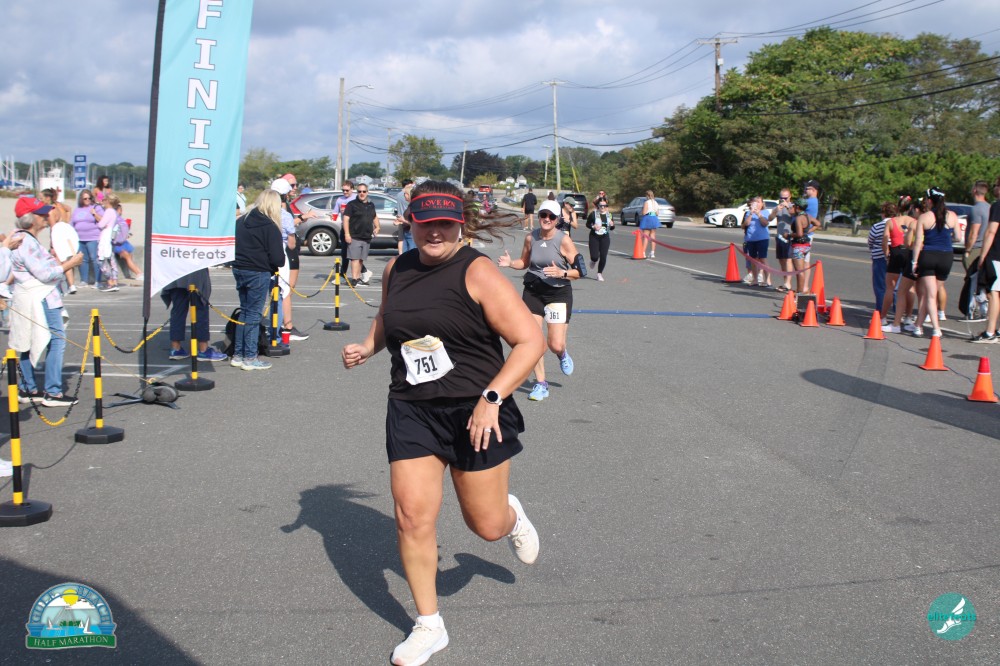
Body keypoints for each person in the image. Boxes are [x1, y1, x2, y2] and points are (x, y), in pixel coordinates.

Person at [340, 180, 543, 666]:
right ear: (410, 222)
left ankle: (510, 515)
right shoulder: (397, 268)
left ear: (460, 225)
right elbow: (388, 318)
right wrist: (368, 346)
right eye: (425, 222)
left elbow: (530, 341)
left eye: (445, 224)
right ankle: (429, 625)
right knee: (411, 517)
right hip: (412, 408)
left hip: (476, 410)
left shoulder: (477, 271)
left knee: (486, 526)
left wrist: (492, 397)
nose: (435, 232)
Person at [497, 199, 580, 401]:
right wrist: (510, 263)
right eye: (543, 215)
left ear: (557, 219)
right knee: (533, 340)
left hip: (558, 293)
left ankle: (562, 353)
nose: (546, 219)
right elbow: (524, 262)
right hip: (533, 292)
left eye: (551, 216)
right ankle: (541, 384)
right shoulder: (531, 237)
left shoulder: (564, 240)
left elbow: (579, 271)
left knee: (555, 344)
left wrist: (562, 273)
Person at [10, 197, 84, 407]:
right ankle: (53, 392)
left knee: (28, 341)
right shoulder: (26, 241)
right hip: (41, 296)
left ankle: (29, 387)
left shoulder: (21, 238)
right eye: (41, 213)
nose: (45, 216)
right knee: (56, 339)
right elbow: (44, 274)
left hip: (31, 295)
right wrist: (70, 263)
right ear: (30, 218)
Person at [231, 189, 285, 370]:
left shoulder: (242, 221)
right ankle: (250, 357)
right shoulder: (270, 226)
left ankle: (238, 354)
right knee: (254, 315)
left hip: (239, 268)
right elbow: (278, 258)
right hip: (258, 272)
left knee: (245, 312)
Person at [910, 187, 959, 338]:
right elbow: (958, 237)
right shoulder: (952, 216)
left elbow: (918, 242)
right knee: (931, 293)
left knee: (930, 295)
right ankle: (918, 325)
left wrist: (914, 261)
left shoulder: (925, 217)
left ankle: (936, 328)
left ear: (930, 201)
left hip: (929, 255)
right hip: (946, 256)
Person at [162, 268, 228, 362]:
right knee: (201, 309)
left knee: (178, 311)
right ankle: (203, 349)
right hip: (195, 272)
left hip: (176, 272)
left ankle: (175, 348)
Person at [275, 175, 310, 342]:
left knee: (286, 290)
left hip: (287, 251)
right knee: (285, 290)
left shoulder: (284, 206)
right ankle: (287, 327)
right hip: (286, 252)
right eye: (292, 185)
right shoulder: (280, 208)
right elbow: (288, 232)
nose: (294, 188)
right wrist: (302, 218)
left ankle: (283, 324)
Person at [885, 196, 920, 334]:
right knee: (910, 288)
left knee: (890, 287)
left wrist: (887, 254)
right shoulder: (915, 222)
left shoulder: (892, 221)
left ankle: (883, 317)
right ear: (910, 208)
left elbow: (885, 241)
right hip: (909, 253)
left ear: (898, 207)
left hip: (896, 252)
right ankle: (908, 317)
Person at [971, 177, 1000, 343]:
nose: (994, 188)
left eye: (996, 185)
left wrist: (982, 255)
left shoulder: (997, 205)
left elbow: (991, 231)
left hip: (997, 254)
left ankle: (990, 332)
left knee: (994, 292)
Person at [963, 180, 991, 322]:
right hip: (987, 247)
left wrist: (967, 250)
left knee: (971, 280)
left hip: (976, 248)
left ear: (975, 190)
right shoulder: (990, 207)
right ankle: (983, 310)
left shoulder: (976, 209)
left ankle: (971, 310)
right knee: (981, 281)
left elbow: (974, 233)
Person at [343, 184, 380, 285]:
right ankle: (354, 279)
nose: (362, 193)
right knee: (355, 258)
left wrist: (377, 227)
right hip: (355, 235)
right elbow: (346, 219)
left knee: (360, 259)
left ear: (367, 192)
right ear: (357, 192)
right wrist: (347, 234)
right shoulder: (352, 204)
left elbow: (374, 216)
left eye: (364, 191)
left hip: (366, 236)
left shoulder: (371, 205)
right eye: (359, 191)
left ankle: (358, 277)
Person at [47, 194, 80, 295]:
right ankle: (71, 285)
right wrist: (67, 221)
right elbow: (69, 209)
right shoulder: (60, 206)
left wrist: (52, 244)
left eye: (41, 198)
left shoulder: (51, 211)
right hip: (66, 232)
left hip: (58, 236)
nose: (40, 200)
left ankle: (59, 285)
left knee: (59, 260)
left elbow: (53, 229)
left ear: (48, 198)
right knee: (66, 260)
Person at [70, 189, 102, 288]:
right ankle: (84, 280)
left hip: (93, 238)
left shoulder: (96, 207)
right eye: (85, 198)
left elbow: (103, 220)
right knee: (83, 260)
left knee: (94, 259)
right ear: (81, 199)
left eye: (89, 198)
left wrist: (94, 214)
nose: (87, 200)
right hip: (79, 239)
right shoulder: (77, 210)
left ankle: (98, 281)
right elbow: (72, 223)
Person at [741, 196, 771, 287]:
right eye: (755, 202)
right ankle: (755, 279)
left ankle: (768, 280)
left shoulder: (765, 212)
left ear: (762, 204)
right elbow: (746, 224)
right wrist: (751, 213)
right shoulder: (748, 213)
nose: (756, 204)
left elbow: (765, 223)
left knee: (762, 258)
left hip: (762, 238)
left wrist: (758, 214)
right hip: (751, 239)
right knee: (753, 259)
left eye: (758, 202)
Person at [96, 194, 121, 292]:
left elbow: (101, 224)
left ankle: (110, 281)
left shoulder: (108, 211)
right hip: (110, 236)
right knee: (111, 260)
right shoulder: (114, 212)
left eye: (104, 200)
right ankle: (115, 281)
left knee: (101, 260)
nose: (103, 201)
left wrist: (95, 214)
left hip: (105, 236)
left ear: (108, 201)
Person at [111, 203, 143, 280]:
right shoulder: (115, 219)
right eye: (120, 210)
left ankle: (135, 273)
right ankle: (139, 273)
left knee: (129, 256)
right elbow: (114, 233)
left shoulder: (119, 219)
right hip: (117, 244)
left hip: (122, 243)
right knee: (127, 256)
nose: (121, 212)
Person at [867, 204, 889, 312]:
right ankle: (896, 311)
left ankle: (880, 311)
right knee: (895, 286)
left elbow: (870, 241)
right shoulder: (899, 225)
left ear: (883, 213)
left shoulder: (877, 226)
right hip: (895, 257)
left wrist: (873, 249)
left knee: (880, 286)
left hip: (879, 257)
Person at [585, 200, 614, 281]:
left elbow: (612, 227)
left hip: (605, 237)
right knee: (594, 257)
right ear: (598, 206)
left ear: (607, 206)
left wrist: (612, 225)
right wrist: (593, 226)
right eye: (601, 206)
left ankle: (599, 273)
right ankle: (593, 260)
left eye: (604, 206)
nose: (602, 207)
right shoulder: (593, 214)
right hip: (594, 236)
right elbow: (587, 224)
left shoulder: (609, 215)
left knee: (603, 256)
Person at [772, 189, 794, 291]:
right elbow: (769, 218)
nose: (783, 200)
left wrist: (787, 206)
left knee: (788, 259)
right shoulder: (778, 207)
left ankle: (788, 283)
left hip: (789, 236)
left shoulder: (793, 206)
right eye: (781, 198)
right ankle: (785, 282)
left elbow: (795, 215)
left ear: (790, 196)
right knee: (782, 260)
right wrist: (776, 210)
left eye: (785, 198)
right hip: (779, 236)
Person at [789, 199, 812, 294]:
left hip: (798, 246)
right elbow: (818, 224)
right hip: (806, 246)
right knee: (801, 270)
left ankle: (799, 292)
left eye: (794, 206)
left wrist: (789, 235)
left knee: (799, 271)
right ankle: (800, 290)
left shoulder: (799, 218)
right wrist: (807, 232)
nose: (793, 207)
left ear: (797, 207)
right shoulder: (807, 216)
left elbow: (799, 234)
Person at [638, 190, 661, 259]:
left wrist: (643, 211)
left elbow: (644, 212)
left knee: (646, 236)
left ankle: (643, 252)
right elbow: (657, 213)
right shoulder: (655, 202)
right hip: (654, 218)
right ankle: (652, 252)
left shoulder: (646, 202)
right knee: (653, 235)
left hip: (648, 218)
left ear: (647, 196)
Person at [395, 179, 415, 254]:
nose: (404, 195)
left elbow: (415, 223)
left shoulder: (414, 207)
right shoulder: (409, 206)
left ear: (410, 195)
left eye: (406, 194)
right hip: (406, 232)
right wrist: (400, 221)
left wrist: (403, 220)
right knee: (405, 253)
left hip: (411, 234)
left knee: (412, 253)